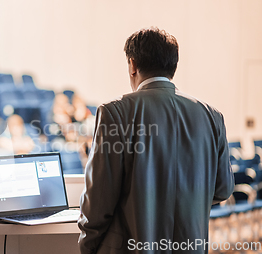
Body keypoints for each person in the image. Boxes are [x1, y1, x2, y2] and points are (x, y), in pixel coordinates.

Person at [78, 27, 234, 254]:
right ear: (173, 66)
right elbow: (223, 189)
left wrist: (87, 245)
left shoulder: (114, 113)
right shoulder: (212, 116)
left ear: (132, 65)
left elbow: (99, 201)